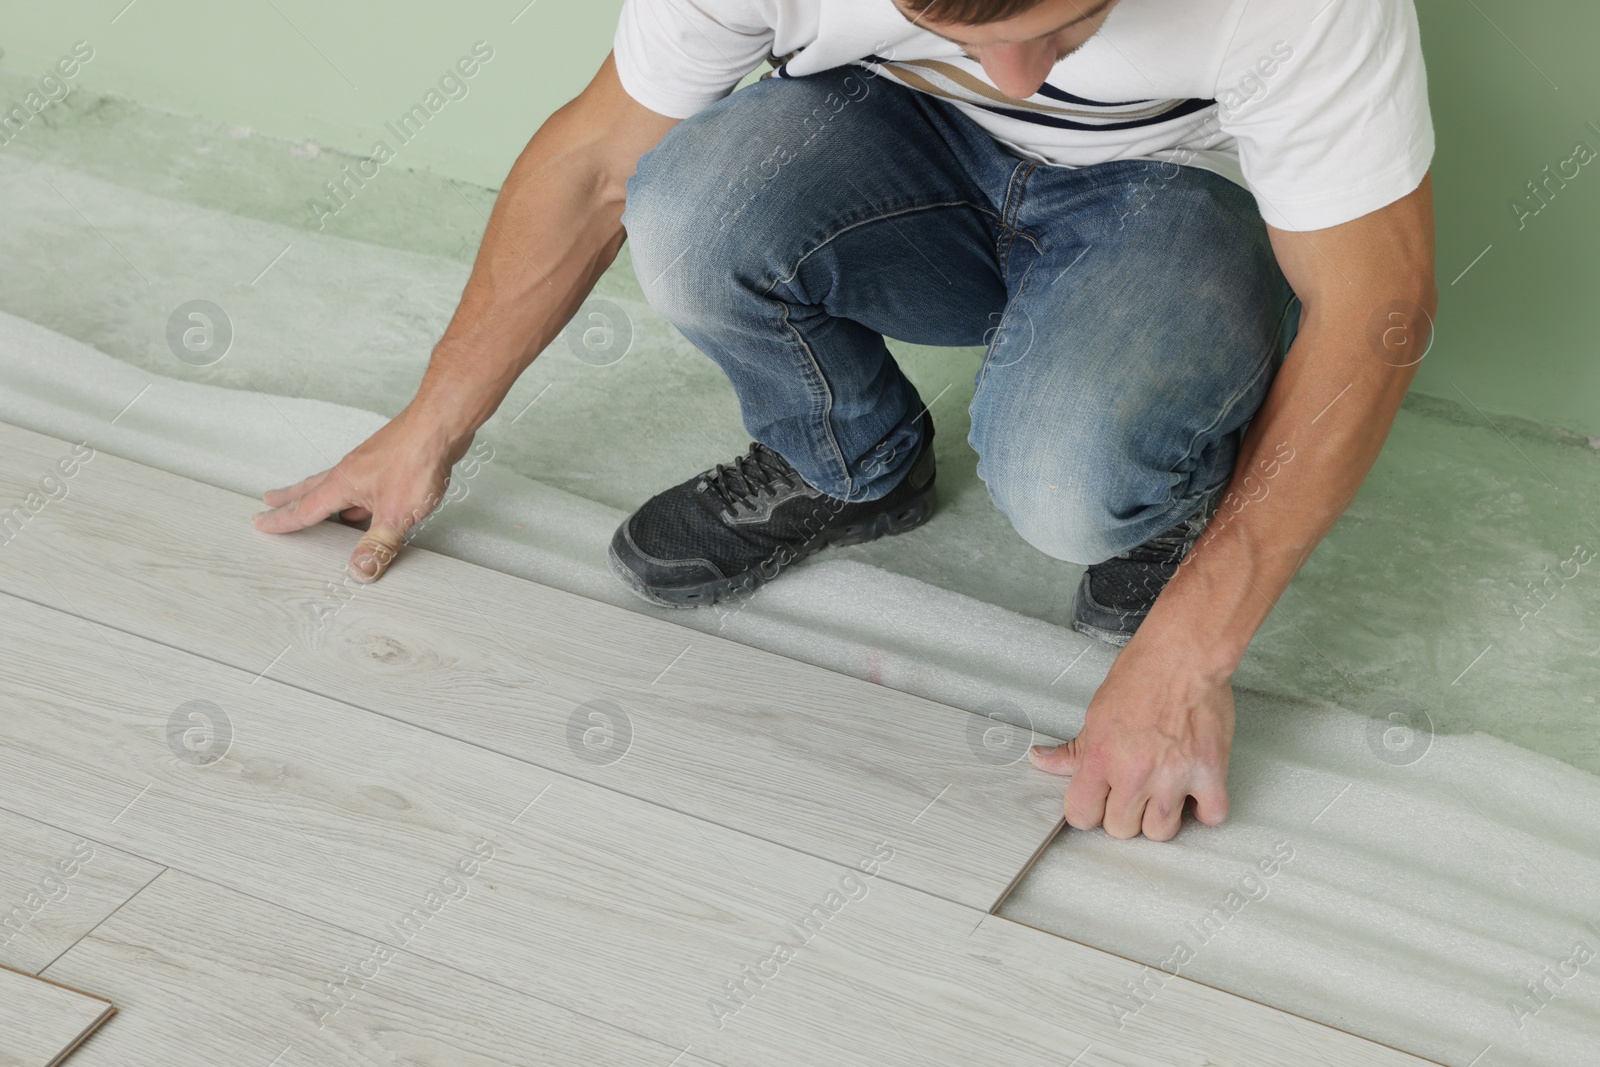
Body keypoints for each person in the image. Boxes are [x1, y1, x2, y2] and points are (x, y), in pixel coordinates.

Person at [253, 0, 1437, 842]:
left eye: (1068, 24)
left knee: (1069, 482)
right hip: (905, 141)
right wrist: (427, 426)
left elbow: (1373, 306)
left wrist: (1188, 651)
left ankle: (1168, 493)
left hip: (1173, 188)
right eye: (973, 30)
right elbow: (596, 166)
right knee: (687, 202)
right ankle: (851, 461)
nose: (1022, 74)